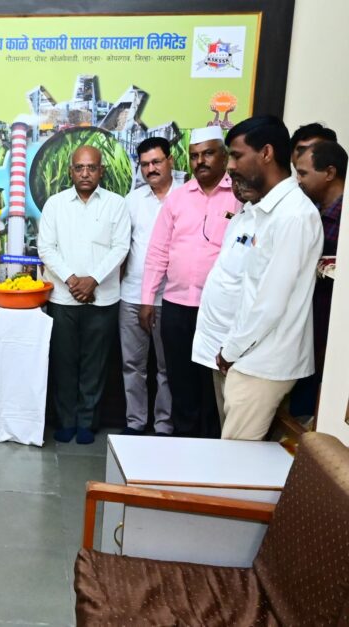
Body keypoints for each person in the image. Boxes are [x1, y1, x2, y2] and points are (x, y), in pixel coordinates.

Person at [217, 115, 323, 440]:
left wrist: (231, 350)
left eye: (237, 155)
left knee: (234, 462)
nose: (230, 166)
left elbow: (270, 303)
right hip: (251, 356)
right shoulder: (267, 210)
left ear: (266, 153)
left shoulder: (293, 215)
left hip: (262, 363)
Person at [140, 126, 241, 438]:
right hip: (177, 306)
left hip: (219, 310)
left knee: (212, 384)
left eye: (208, 153)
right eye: (195, 155)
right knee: (180, 381)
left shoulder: (239, 197)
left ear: (223, 156)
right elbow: (158, 251)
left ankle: (210, 446)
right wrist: (147, 299)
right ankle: (184, 443)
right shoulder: (178, 198)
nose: (201, 161)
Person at [37, 146, 130, 445]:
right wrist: (72, 280)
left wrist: (93, 280)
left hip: (103, 298)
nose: (85, 173)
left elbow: (120, 247)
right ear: (71, 172)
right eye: (79, 168)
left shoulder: (116, 204)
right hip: (63, 298)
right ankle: (66, 421)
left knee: (95, 364)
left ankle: (87, 422)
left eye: (91, 167)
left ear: (102, 171)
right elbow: (46, 248)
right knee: (63, 363)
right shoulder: (55, 204)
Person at [118, 137, 175, 436]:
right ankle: (135, 423)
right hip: (132, 295)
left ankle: (164, 426)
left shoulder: (185, 197)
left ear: (170, 161)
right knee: (132, 365)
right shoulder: (133, 200)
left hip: (172, 298)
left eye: (156, 162)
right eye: (144, 164)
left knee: (167, 368)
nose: (150, 169)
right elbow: (122, 246)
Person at [288, 140, 345, 417]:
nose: (298, 181)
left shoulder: (344, 220)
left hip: (333, 335)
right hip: (306, 331)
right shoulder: (311, 212)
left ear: (330, 173)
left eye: (303, 173)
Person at [192, 181, 253, 427]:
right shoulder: (240, 218)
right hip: (220, 341)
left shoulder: (272, 221)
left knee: (237, 426)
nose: (236, 185)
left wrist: (233, 346)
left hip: (240, 342)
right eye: (233, 178)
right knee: (224, 417)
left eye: (242, 178)